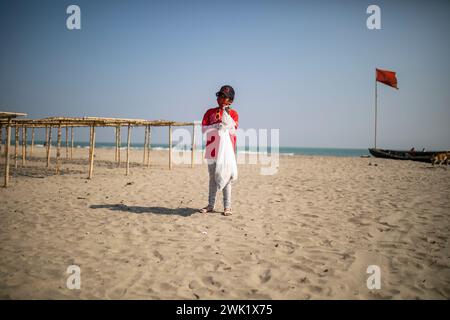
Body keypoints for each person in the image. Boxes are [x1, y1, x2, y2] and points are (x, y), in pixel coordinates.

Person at [199, 85, 239, 216]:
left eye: (224, 96)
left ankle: (227, 207)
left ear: (230, 100)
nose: (220, 98)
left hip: (227, 152)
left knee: (226, 178)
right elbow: (204, 129)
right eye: (219, 95)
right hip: (212, 149)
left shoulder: (233, 113)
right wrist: (216, 125)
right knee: (212, 178)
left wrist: (226, 113)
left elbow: (233, 129)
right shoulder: (210, 112)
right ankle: (211, 205)